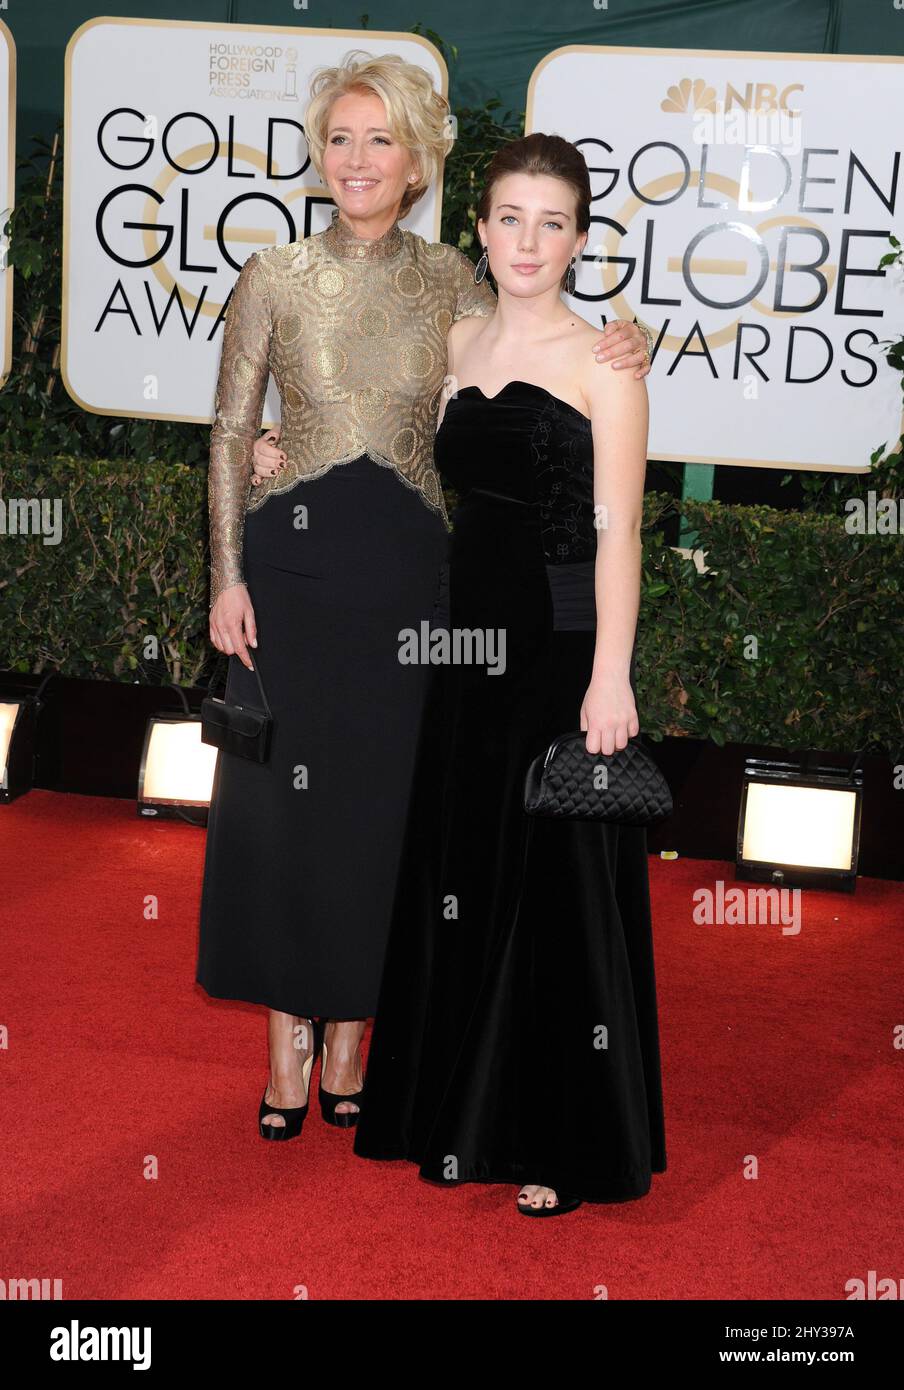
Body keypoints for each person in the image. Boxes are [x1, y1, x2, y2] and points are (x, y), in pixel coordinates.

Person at [198, 49, 651, 1142]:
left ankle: (355, 1041)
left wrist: (625, 332)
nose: (357, 159)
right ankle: (284, 1047)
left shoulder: (454, 279)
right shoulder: (271, 275)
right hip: (292, 586)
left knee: (380, 819)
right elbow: (224, 430)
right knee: (280, 821)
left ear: (416, 162)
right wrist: (226, 571)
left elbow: (533, 363)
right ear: (318, 155)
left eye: (380, 140)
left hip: (415, 595)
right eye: (339, 138)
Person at [348, 133, 666, 1216]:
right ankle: (447, 1108)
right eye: (510, 218)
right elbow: (379, 442)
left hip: (559, 648)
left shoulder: (604, 362)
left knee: (548, 885)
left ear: (579, 240)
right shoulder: (451, 340)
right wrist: (271, 453)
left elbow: (620, 533)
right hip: (456, 648)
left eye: (554, 222)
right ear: (479, 229)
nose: (529, 240)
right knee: (460, 866)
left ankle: (553, 1135)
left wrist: (609, 676)